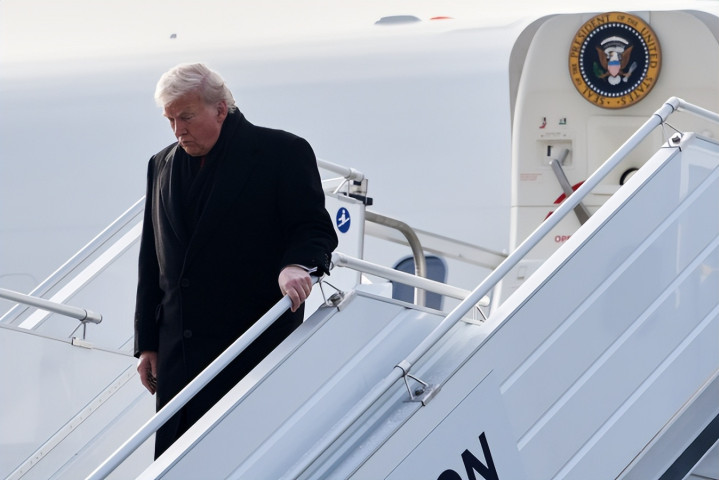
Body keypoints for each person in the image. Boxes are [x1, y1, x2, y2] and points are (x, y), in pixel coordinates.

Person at [133, 63, 338, 458]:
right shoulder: (160, 164)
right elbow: (151, 261)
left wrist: (296, 265)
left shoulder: (283, 152)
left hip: (250, 348)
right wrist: (148, 344)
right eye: (170, 119)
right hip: (178, 361)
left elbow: (313, 229)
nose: (177, 130)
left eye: (186, 116)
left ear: (221, 109)